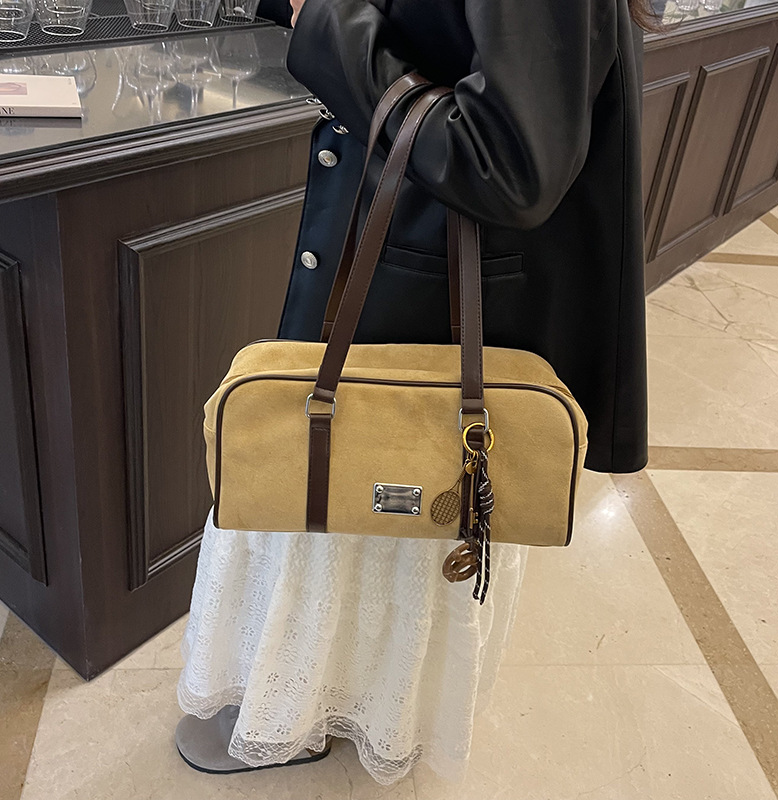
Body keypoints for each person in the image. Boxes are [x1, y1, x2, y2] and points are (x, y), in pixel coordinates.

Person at [176, 0, 652, 785]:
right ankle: (331, 706)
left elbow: (511, 163)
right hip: (414, 254)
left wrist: (326, 22)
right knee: (359, 514)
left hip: (439, 280)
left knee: (392, 509)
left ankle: (340, 714)